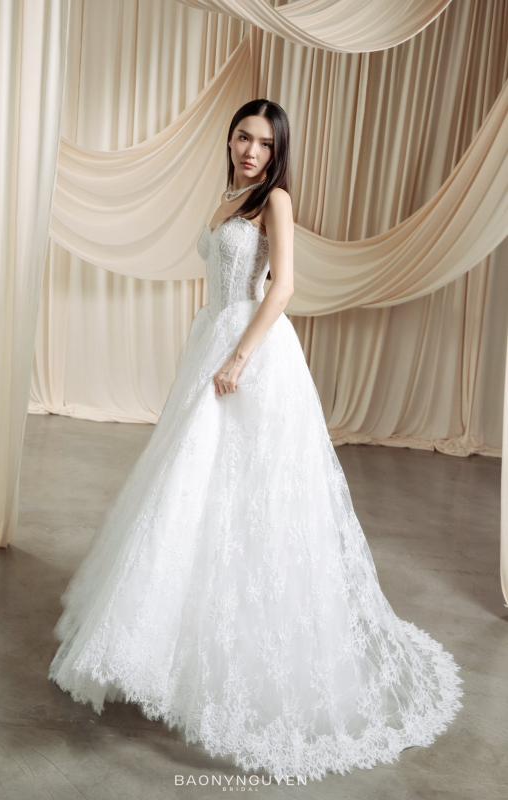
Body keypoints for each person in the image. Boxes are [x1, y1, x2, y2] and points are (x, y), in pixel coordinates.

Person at [48, 98, 464, 783]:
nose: (250, 151)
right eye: (243, 137)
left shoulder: (275, 202)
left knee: (252, 494)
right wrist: (210, 347)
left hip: (252, 351)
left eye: (264, 144)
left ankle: (246, 647)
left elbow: (284, 287)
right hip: (211, 338)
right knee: (189, 491)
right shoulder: (227, 198)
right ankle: (169, 638)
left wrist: (239, 357)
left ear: (278, 152)